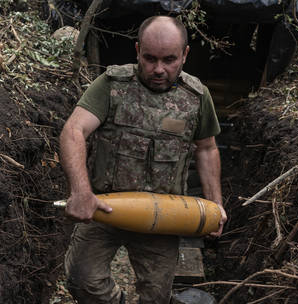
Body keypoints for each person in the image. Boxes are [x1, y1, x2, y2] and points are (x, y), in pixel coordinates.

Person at [59, 15, 227, 304]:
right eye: (149, 58)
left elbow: (207, 148)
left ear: (185, 55)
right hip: (106, 206)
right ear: (137, 50)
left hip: (165, 215)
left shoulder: (197, 97)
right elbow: (73, 130)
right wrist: (81, 192)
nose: (158, 69)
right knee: (82, 280)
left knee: (155, 296)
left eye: (169, 60)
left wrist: (215, 206)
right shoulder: (111, 85)